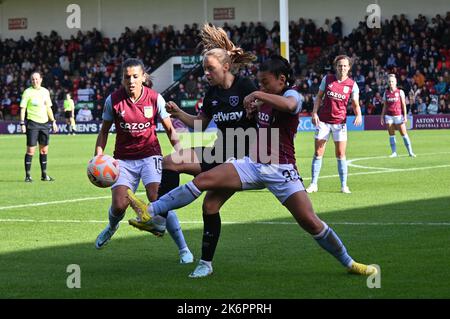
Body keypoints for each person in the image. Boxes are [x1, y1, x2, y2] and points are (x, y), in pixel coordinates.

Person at [127, 55, 377, 279]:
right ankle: (152, 212)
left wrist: (257, 96)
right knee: (202, 183)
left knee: (310, 222)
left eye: (265, 82)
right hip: (252, 164)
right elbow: (246, 124)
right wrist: (251, 110)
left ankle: (349, 262)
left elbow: (290, 107)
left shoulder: (292, 95)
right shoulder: (259, 101)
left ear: (281, 79)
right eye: (259, 83)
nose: (261, 87)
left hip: (282, 172)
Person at [128, 24, 258, 266]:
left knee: (210, 204)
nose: (206, 74)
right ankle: (159, 219)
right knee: (170, 162)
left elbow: (264, 116)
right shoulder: (212, 94)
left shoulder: (246, 87)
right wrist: (178, 114)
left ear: (226, 67)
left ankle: (205, 264)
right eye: (204, 70)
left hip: (243, 158)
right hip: (220, 151)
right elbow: (199, 124)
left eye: (211, 69)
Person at [93, 58, 193, 264]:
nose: (131, 81)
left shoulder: (156, 99)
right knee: (119, 205)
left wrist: (181, 153)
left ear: (143, 78)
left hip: (150, 155)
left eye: (135, 76)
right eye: (127, 77)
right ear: (122, 79)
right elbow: (104, 131)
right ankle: (112, 227)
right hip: (124, 159)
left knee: (158, 198)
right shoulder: (113, 100)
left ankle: (183, 248)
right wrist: (98, 155)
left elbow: (169, 129)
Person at [305, 55, 362, 194]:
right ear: (336, 67)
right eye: (340, 65)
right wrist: (314, 112)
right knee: (318, 152)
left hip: (340, 123)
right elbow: (319, 96)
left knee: (341, 154)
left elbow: (355, 104)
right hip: (323, 122)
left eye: (345, 66)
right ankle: (313, 184)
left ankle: (344, 185)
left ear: (349, 68)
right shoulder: (327, 79)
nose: (342, 68)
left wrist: (358, 114)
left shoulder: (352, 85)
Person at [19, 71, 58, 182]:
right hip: (32, 124)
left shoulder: (45, 92)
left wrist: (53, 121)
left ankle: (44, 175)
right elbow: (23, 109)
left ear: (41, 79)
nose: (35, 81)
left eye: (37, 79)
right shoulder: (27, 92)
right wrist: (22, 123)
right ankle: (28, 175)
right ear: (31, 80)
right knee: (31, 151)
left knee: (44, 151)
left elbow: (48, 108)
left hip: (45, 124)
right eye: (33, 79)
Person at [380, 74, 416, 158]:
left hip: (398, 116)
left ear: (395, 82)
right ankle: (394, 153)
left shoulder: (400, 92)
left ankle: (410, 152)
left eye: (392, 81)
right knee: (391, 135)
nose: (391, 83)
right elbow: (384, 106)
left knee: (404, 134)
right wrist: (382, 116)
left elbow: (403, 105)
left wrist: (405, 116)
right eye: (389, 81)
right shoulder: (386, 93)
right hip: (389, 116)